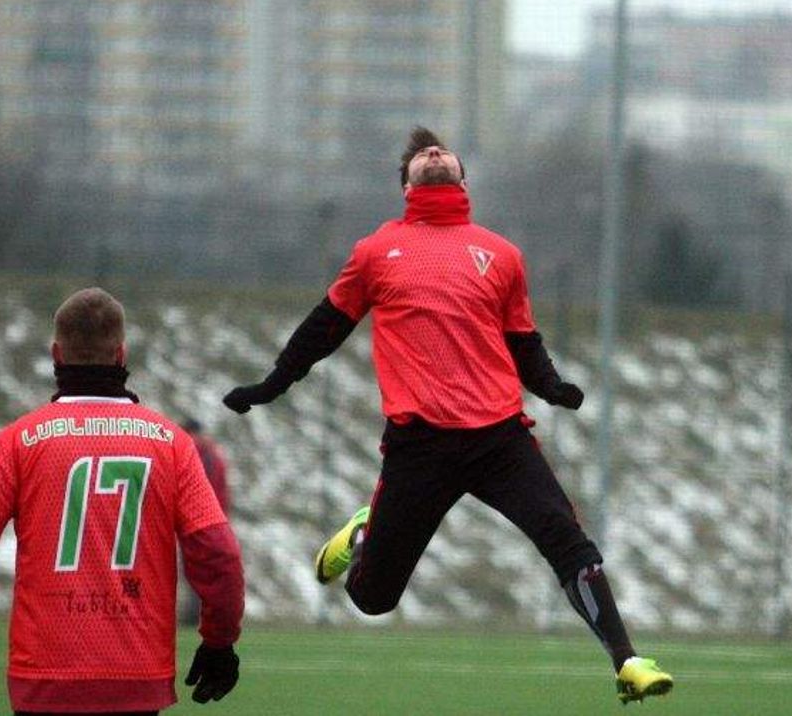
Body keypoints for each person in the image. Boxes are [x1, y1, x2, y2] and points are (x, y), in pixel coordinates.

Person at [222, 128, 673, 705]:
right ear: (406, 183)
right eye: (419, 156)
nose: (432, 154)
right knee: (371, 600)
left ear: (463, 177)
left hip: (499, 441)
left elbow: (521, 340)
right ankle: (365, 533)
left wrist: (552, 387)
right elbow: (323, 329)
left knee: (568, 541)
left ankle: (627, 661)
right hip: (420, 447)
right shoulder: (376, 251)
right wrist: (270, 385)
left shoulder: (501, 255)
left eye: (440, 152)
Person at [0, 287, 245, 715]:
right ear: (121, 354)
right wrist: (219, 640)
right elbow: (217, 552)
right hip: (136, 676)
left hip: (44, 675)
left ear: (56, 354)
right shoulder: (171, 444)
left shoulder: (18, 442)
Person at [177, 418, 233, 626]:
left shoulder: (191, 450)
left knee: (194, 569)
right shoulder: (214, 454)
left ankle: (195, 617)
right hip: (216, 520)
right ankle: (210, 615)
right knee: (209, 570)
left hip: (195, 520)